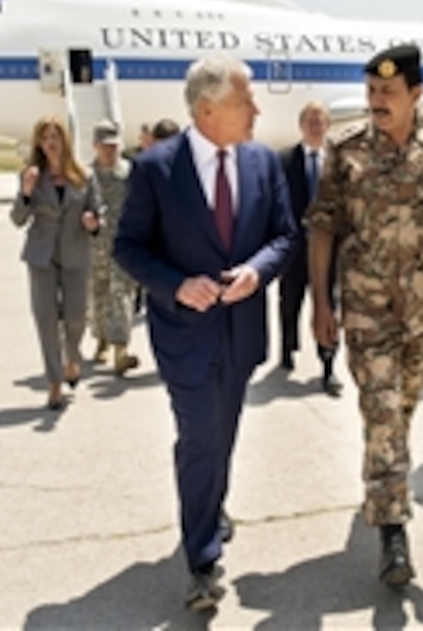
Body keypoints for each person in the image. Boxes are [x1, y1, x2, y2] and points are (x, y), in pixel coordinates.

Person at [305, 45, 423, 588]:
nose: (376, 101)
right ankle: (393, 530)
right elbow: (322, 226)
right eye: (370, 92)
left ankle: (384, 483)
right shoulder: (345, 150)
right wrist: (321, 303)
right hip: (365, 310)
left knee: (402, 409)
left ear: (416, 94)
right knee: (383, 408)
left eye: (387, 92)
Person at [113, 54, 297, 611]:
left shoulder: (265, 163)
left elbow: (285, 236)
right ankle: (201, 560)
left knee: (224, 434)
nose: (257, 110)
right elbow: (128, 247)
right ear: (208, 108)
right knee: (199, 438)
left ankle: (209, 506)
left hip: (240, 333)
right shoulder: (156, 169)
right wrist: (175, 285)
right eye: (246, 101)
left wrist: (256, 270)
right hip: (184, 335)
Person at [10, 115, 101, 411]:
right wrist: (25, 191)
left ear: (65, 141)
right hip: (41, 255)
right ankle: (54, 384)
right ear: (39, 142)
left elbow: (97, 212)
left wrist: (93, 222)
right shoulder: (32, 176)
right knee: (46, 319)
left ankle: (72, 355)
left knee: (77, 315)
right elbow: (17, 219)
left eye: (56, 136)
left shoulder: (84, 176)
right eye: (45, 137)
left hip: (75, 252)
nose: (51, 142)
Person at [278, 101, 341, 393]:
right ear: (301, 126)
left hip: (330, 249)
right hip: (295, 248)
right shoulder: (285, 160)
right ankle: (287, 349)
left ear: (328, 126)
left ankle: (328, 365)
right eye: (309, 122)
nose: (315, 127)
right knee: (290, 302)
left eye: (320, 122)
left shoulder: (339, 160)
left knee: (328, 304)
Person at [88, 120, 139, 376]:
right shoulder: (87, 176)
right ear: (95, 146)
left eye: (114, 145)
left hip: (123, 245)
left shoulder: (130, 174)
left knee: (121, 294)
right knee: (97, 295)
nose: (110, 151)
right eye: (104, 146)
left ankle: (121, 348)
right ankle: (102, 340)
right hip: (93, 246)